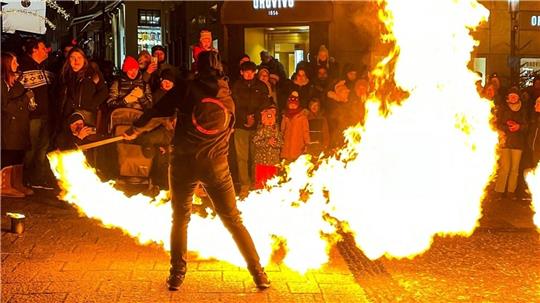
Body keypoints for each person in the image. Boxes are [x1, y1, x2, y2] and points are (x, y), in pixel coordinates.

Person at [123, 50, 270, 291]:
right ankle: (258, 273)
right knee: (233, 220)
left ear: (197, 67)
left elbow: (157, 110)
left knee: (180, 218)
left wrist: (136, 129)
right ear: (220, 69)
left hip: (184, 163)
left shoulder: (186, 89)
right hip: (216, 166)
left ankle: (177, 274)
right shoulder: (228, 98)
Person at [19, 37, 55, 188]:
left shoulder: (46, 68)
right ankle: (23, 178)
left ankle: (37, 178)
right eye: (42, 47)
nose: (46, 50)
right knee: (31, 148)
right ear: (33, 50)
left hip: (47, 114)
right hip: (32, 116)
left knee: (43, 148)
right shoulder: (23, 68)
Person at [232, 61, 269, 197]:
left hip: (256, 126)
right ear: (241, 72)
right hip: (240, 126)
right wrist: (245, 117)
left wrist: (255, 117)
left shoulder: (261, 86)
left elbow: (265, 104)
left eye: (251, 71)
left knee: (256, 156)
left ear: (254, 72)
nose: (248, 74)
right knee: (242, 157)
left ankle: (256, 183)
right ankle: (244, 185)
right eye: (246, 71)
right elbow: (234, 104)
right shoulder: (236, 86)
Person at [1, 52, 34, 197]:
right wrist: (25, 99)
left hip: (20, 125)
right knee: (9, 153)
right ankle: (5, 185)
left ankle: (16, 183)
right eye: (15, 62)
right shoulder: (2, 83)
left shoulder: (15, 81)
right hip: (8, 126)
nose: (18, 65)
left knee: (18, 153)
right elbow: (5, 106)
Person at [57, 47, 108, 140]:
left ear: (84, 59)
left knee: (88, 143)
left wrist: (91, 104)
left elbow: (104, 91)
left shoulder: (93, 73)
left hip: (88, 117)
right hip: (70, 116)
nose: (76, 61)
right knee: (72, 144)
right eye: (72, 58)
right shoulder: (64, 75)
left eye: (79, 57)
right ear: (68, 60)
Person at [494, 87, 528, 200]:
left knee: (514, 169)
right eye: (511, 95)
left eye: (515, 95)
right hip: (505, 141)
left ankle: (510, 191)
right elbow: (497, 124)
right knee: (505, 168)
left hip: (518, 143)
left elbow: (527, 126)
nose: (513, 97)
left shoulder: (523, 109)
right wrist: (507, 128)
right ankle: (499, 191)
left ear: (518, 97)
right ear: (508, 97)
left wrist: (519, 127)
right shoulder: (503, 108)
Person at [252, 102, 283, 189]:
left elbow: (281, 143)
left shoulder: (276, 131)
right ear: (263, 119)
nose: (269, 122)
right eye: (267, 118)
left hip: (273, 161)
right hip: (261, 161)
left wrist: (274, 143)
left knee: (272, 180)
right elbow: (255, 141)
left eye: (271, 119)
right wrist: (267, 142)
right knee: (261, 181)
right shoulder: (261, 131)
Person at [281, 91, 310, 162]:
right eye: (291, 104)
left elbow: (305, 131)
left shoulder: (302, 117)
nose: (293, 105)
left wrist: (307, 143)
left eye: (294, 104)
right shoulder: (285, 116)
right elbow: (282, 130)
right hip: (286, 147)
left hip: (298, 146)